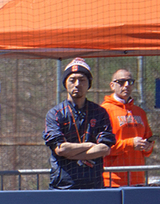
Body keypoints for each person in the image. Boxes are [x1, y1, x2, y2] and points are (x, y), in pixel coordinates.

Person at [43, 58, 115, 190]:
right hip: (63, 186)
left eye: (82, 80)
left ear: (89, 84)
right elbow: (61, 149)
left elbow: (105, 148)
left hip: (93, 186)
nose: (77, 84)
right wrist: (88, 145)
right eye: (72, 80)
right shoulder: (55, 113)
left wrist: (72, 154)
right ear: (65, 83)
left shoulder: (99, 112)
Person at [101, 69, 154, 187]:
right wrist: (130, 144)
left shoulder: (139, 112)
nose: (127, 85)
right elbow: (101, 147)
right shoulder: (104, 111)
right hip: (112, 180)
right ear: (112, 85)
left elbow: (148, 142)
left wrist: (148, 146)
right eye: (121, 82)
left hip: (137, 179)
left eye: (130, 82)